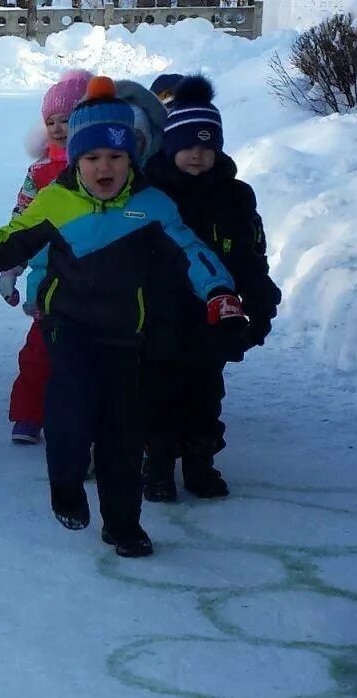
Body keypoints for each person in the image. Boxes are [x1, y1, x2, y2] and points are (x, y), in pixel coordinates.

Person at [0, 77, 251, 558]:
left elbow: (193, 253)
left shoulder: (151, 206)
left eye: (116, 157)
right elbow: (4, 241)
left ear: (132, 156)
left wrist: (219, 294)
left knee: (122, 435)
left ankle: (123, 524)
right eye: (93, 158)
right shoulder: (57, 201)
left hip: (128, 339)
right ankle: (67, 483)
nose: (104, 167)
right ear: (76, 159)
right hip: (68, 329)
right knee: (70, 419)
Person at [141, 76, 280, 500]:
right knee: (159, 395)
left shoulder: (236, 197)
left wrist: (259, 306)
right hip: (161, 316)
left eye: (207, 146)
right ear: (169, 144)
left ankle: (200, 463)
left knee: (205, 395)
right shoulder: (149, 194)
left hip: (213, 318)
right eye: (188, 145)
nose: (198, 155)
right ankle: (159, 466)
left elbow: (251, 257)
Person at [0, 69, 91, 446]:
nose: (57, 128)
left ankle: (88, 416)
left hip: (97, 279)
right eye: (50, 121)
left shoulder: (108, 165)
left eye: (66, 120)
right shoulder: (39, 172)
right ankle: (29, 413)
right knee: (40, 350)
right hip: (48, 278)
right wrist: (10, 266)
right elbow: (22, 222)